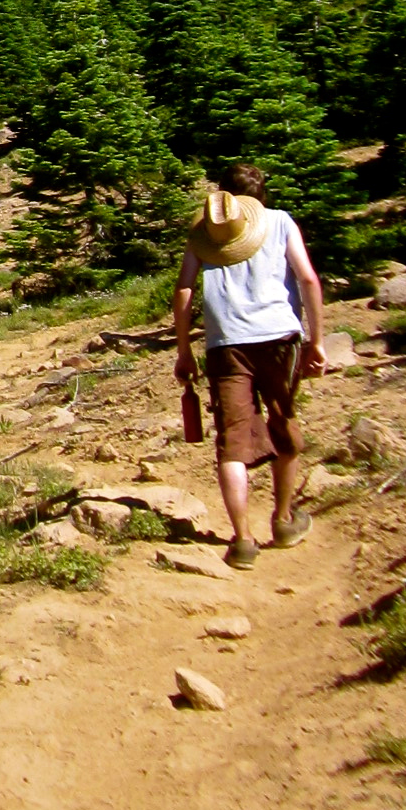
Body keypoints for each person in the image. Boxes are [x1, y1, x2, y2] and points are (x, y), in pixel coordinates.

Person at [172, 164, 325, 571]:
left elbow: (184, 289)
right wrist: (317, 340)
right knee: (283, 419)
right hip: (279, 338)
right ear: (262, 196)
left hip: (225, 344)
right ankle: (284, 520)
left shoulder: (203, 231)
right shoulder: (281, 222)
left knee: (232, 440)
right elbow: (308, 280)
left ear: (223, 194)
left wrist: (184, 351)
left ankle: (242, 541)